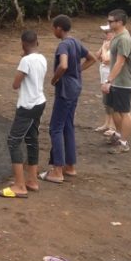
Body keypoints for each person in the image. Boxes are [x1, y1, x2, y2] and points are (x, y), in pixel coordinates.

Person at [39, 15, 96, 184]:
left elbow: (63, 65)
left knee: (55, 128)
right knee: (68, 126)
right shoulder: (76, 42)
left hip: (65, 90)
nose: (53, 31)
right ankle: (70, 166)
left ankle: (57, 170)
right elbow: (92, 58)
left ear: (58, 28)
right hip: (75, 88)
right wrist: (76, 70)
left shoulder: (63, 44)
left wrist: (55, 79)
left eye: (53, 28)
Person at [0, 30, 47, 198]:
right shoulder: (42, 58)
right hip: (39, 102)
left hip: (27, 105)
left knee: (13, 142)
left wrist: (23, 59)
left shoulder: (25, 61)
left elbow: (15, 84)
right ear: (37, 43)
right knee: (32, 139)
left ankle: (19, 185)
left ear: (23, 45)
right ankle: (32, 181)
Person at [102, 9, 131, 154]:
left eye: (111, 21)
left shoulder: (124, 39)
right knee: (114, 109)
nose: (108, 23)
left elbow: (120, 62)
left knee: (124, 111)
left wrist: (108, 80)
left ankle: (123, 143)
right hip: (116, 81)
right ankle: (118, 135)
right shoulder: (117, 36)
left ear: (119, 22)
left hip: (124, 82)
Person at [95, 24, 116, 136]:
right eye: (105, 33)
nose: (106, 35)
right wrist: (102, 47)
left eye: (108, 32)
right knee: (106, 101)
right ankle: (107, 123)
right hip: (104, 75)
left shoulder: (114, 45)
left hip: (110, 76)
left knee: (112, 101)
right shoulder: (106, 44)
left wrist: (103, 48)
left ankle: (113, 126)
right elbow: (98, 56)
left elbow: (106, 59)